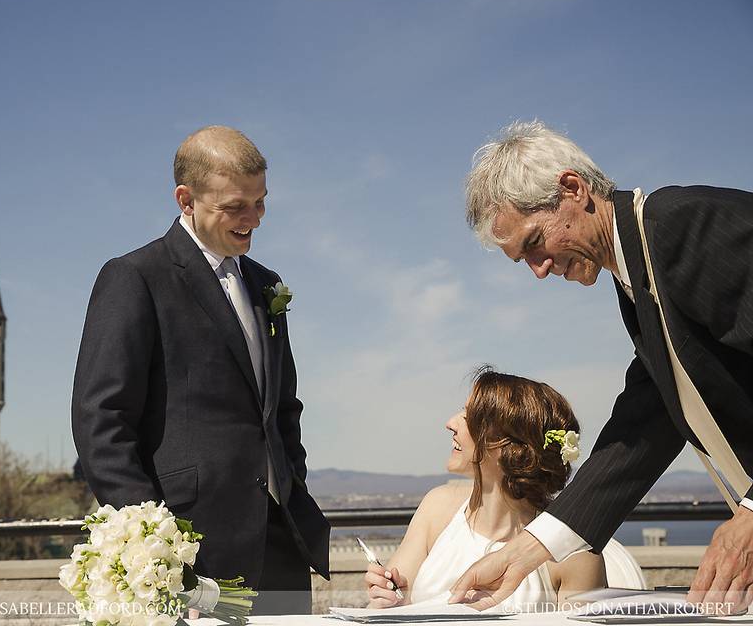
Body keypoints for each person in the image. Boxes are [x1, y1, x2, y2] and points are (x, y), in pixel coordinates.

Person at [452, 120, 753, 613]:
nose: (539, 270)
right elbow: (640, 432)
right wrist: (528, 551)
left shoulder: (685, 226)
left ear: (573, 190)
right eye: (522, 261)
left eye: (534, 244)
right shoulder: (640, 282)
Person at [71, 125, 330, 615]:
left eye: (261, 203)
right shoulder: (134, 277)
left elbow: (283, 409)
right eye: (235, 206)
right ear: (186, 199)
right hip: (193, 551)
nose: (252, 219)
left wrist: (292, 483)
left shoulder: (266, 284)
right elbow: (101, 421)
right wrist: (155, 547)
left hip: (281, 541)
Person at [364, 367, 605, 612]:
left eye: (469, 418)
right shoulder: (437, 507)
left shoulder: (573, 552)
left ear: (509, 447)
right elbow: (390, 606)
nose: (450, 423)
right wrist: (393, 601)